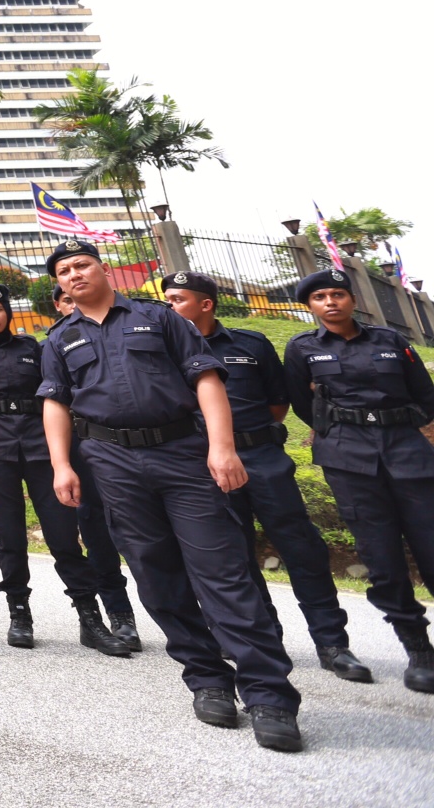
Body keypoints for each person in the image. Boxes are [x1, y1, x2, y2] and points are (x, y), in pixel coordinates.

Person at [40, 238, 302, 751]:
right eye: (64, 270)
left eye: (82, 264)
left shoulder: (159, 319)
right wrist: (61, 465)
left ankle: (269, 695)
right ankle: (207, 679)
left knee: (223, 573)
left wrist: (223, 449)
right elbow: (55, 403)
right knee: (156, 577)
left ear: (103, 269)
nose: (74, 274)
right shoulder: (58, 340)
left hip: (183, 453)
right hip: (113, 464)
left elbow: (206, 378)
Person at [161, 270, 371, 683]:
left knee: (302, 549)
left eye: (177, 299)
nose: (169, 307)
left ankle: (333, 643)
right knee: (232, 556)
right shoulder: (164, 351)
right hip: (203, 464)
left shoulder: (250, 344)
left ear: (205, 304)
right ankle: (264, 639)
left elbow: (279, 403)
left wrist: (247, 438)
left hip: (261, 456)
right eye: (166, 299)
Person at [282, 266, 434, 695]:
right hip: (349, 460)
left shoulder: (390, 341)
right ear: (310, 306)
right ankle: (419, 649)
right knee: (381, 556)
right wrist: (337, 430)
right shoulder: (303, 349)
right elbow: (299, 404)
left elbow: (424, 395)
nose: (330, 302)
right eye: (320, 297)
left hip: (407, 449)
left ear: (352, 300)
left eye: (337, 294)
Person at [0, 282, 128, 656]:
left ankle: (90, 619)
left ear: (8, 313)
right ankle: (20, 615)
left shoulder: (34, 348)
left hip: (39, 448)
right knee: (9, 536)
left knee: (64, 535)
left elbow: (53, 395)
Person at [54, 283, 142, 651]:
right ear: (59, 306)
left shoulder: (124, 332)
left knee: (146, 536)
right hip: (83, 452)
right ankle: (120, 616)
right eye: (67, 301)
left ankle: (189, 617)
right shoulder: (55, 346)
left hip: (130, 449)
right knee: (98, 537)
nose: (74, 305)